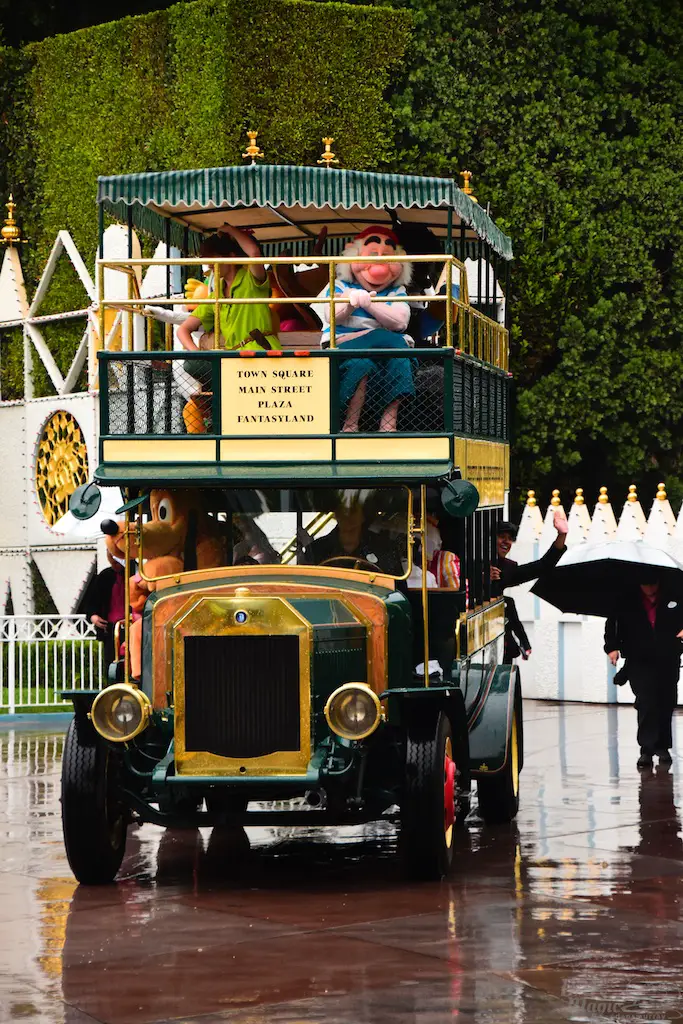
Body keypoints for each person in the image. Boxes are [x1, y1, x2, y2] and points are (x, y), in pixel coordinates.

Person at [177, 227, 281, 433]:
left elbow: (254, 253)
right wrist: (198, 354)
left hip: (261, 355)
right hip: (234, 361)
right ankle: (220, 427)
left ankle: (224, 425)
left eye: (212, 258)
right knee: (191, 364)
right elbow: (183, 330)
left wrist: (230, 230)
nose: (209, 265)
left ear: (231, 257)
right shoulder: (217, 294)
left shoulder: (252, 280)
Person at [317, 226, 414, 432]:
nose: (379, 261)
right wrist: (350, 303)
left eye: (386, 256)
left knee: (400, 361)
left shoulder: (396, 291)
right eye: (372, 254)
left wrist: (369, 304)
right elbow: (331, 316)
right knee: (364, 362)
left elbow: (400, 322)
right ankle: (350, 425)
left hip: (385, 352)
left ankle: (388, 425)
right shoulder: (340, 285)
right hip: (344, 348)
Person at [605, 573, 683, 769]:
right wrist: (612, 647)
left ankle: (662, 746)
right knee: (646, 701)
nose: (650, 589)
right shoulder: (626, 599)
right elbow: (612, 623)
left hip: (668, 657)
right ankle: (647, 749)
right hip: (639, 659)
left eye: (653, 584)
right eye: (645, 585)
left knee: (665, 702)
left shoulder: (674, 595)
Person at [491, 510, 568, 663]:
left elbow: (542, 566)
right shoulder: (471, 564)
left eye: (510, 539)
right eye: (502, 537)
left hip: (501, 648)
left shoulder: (507, 568)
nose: (506, 542)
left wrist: (562, 535)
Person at [302, 498, 402, 576]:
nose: (347, 515)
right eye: (342, 510)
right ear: (336, 514)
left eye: (352, 510)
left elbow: (397, 588)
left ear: (363, 515)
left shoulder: (384, 548)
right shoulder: (317, 549)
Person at [80, 551, 127, 666]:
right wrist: (93, 616)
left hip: (131, 626)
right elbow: (91, 602)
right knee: (111, 664)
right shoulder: (104, 576)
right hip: (109, 629)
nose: (115, 565)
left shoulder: (134, 573)